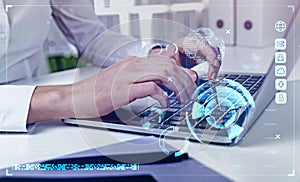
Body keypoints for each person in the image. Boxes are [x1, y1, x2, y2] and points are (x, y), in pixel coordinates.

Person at [0, 0, 220, 132]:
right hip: (38, 116)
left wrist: (157, 56)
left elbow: (91, 36)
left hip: (41, 131)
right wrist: (65, 98)